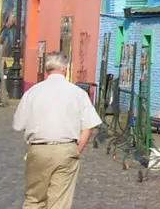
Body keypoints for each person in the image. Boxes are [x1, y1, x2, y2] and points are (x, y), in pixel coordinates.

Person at [13, 51, 102, 209]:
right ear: (65, 69)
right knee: (59, 202)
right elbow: (89, 125)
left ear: (47, 68)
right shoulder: (77, 93)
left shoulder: (32, 92)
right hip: (66, 148)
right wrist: (78, 148)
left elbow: (18, 124)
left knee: (34, 198)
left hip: (39, 149)